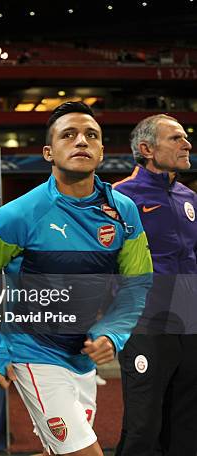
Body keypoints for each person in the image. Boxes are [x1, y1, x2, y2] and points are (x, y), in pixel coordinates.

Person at [0, 102, 152, 456]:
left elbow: (137, 283)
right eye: (69, 134)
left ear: (100, 151)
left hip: (82, 358)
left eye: (91, 135)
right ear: (49, 152)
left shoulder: (123, 212)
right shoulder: (16, 215)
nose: (81, 141)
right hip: (32, 351)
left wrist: (113, 333)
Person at [113, 114, 197, 456]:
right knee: (144, 424)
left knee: (188, 421)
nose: (187, 144)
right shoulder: (119, 198)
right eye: (176, 138)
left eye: (185, 137)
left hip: (189, 324)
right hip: (144, 323)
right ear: (147, 148)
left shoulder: (189, 197)